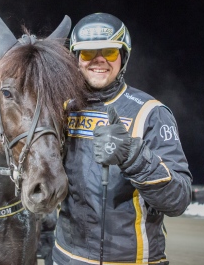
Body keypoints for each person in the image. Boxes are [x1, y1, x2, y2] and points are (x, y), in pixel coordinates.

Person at [52, 13, 193, 265]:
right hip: (66, 257)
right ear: (76, 59)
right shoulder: (62, 110)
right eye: (87, 53)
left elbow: (179, 200)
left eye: (108, 51)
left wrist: (132, 156)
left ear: (123, 57)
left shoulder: (151, 113)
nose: (98, 60)